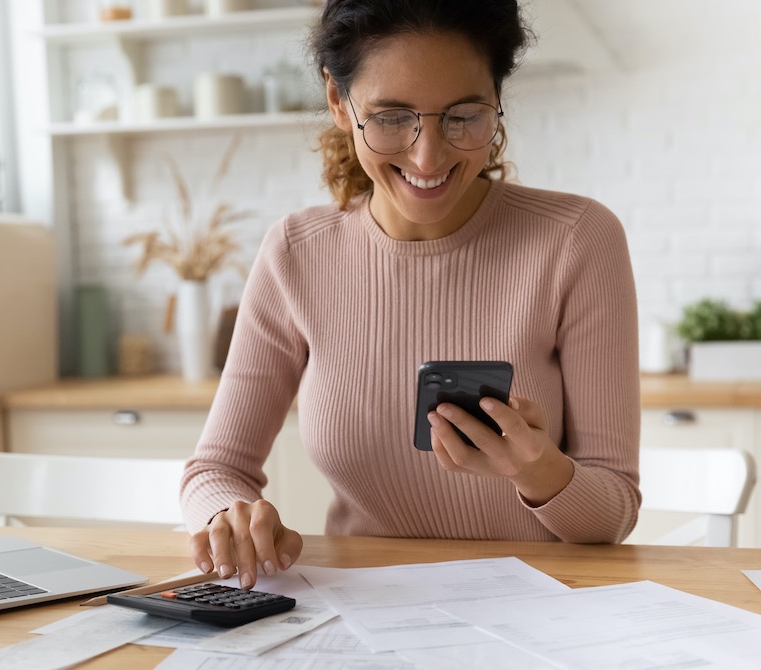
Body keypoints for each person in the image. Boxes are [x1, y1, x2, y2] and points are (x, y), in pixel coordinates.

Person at [180, 0, 641, 589]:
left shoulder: (576, 239)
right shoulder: (296, 253)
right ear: (337, 102)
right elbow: (214, 470)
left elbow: (613, 513)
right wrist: (229, 516)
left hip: (541, 605)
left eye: (463, 115)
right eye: (392, 116)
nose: (428, 156)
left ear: (498, 99)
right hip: (365, 607)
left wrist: (540, 470)